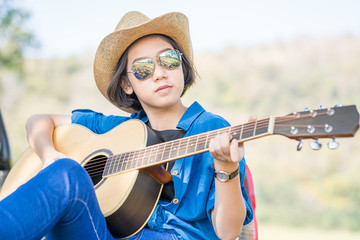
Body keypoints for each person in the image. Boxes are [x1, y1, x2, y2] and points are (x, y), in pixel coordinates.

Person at [0, 11, 253, 240]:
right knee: (67, 172)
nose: (160, 72)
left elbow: (228, 232)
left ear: (182, 66)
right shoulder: (119, 131)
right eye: (143, 68)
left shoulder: (213, 128)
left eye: (168, 60)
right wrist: (48, 155)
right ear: (126, 84)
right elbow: (39, 121)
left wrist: (227, 168)